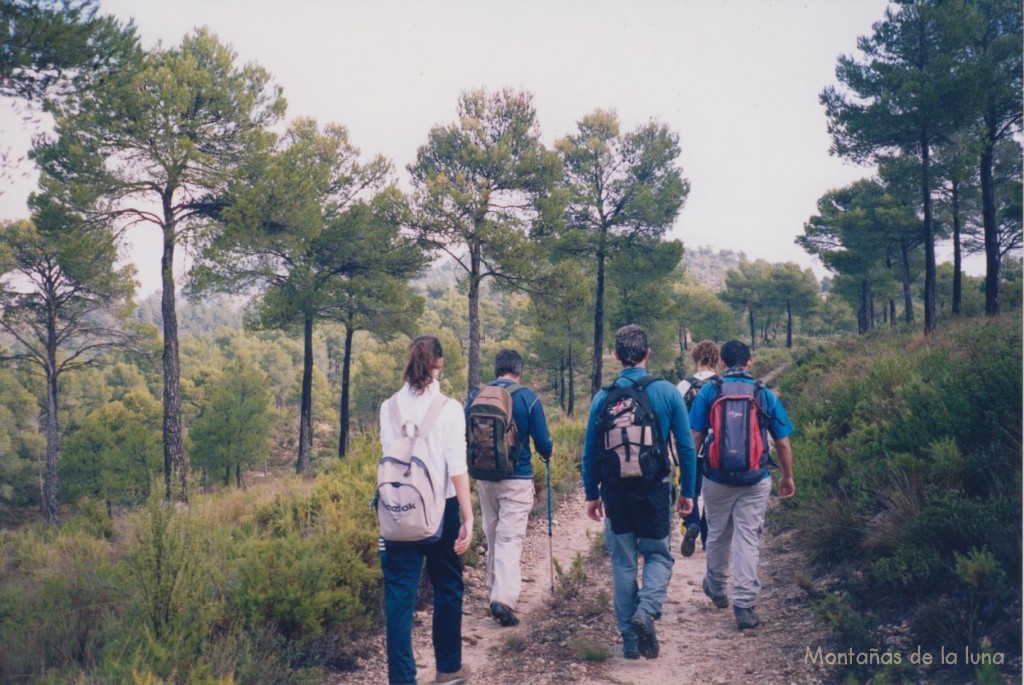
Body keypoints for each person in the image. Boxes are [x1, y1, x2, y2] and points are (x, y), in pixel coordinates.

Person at [582, 325, 697, 660]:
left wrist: (592, 494)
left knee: (623, 562)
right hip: (655, 489)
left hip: (616, 491)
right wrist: (688, 491)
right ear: (648, 353)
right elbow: (686, 448)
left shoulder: (602, 398)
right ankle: (646, 610)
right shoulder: (667, 393)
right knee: (659, 555)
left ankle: (630, 642)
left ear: (617, 357)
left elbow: (589, 452)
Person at [379, 336, 474, 685]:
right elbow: (457, 467)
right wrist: (468, 515)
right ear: (440, 364)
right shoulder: (449, 408)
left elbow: (389, 455)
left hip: (396, 509)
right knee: (447, 585)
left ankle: (402, 680)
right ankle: (448, 667)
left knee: (399, 596)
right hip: (442, 508)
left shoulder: (388, 406)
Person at [685, 339, 795, 631]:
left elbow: (694, 435)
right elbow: (782, 442)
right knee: (748, 537)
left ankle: (718, 589)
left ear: (722, 362)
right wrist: (787, 476)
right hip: (754, 478)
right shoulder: (763, 393)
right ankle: (744, 606)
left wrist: (687, 476)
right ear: (750, 362)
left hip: (716, 477)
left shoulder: (711, 390)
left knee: (718, 533)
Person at [465, 349, 554, 627]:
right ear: (519, 370)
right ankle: (502, 599)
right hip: (517, 477)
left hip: (484, 477)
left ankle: (494, 591)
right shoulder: (528, 398)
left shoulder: (476, 396)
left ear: (496, 369)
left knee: (492, 535)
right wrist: (548, 452)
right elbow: (542, 442)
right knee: (509, 538)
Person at [675, 340, 720, 557]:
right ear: (717, 360)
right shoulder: (722, 384)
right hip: (717, 449)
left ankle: (691, 522)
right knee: (712, 494)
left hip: (690, 447)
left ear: (695, 359)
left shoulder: (684, 385)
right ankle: (706, 533)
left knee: (688, 489)